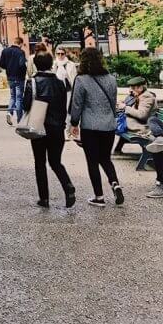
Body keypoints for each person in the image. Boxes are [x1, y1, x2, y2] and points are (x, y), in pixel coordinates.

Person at [70, 48, 124, 207]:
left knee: (92, 161)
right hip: (108, 125)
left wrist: (74, 123)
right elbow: (113, 102)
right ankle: (115, 183)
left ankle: (99, 197)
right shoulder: (111, 79)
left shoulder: (81, 80)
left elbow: (77, 104)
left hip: (90, 126)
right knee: (106, 158)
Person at [22, 51, 75, 208]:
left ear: (36, 65)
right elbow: (63, 105)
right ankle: (67, 185)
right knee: (55, 161)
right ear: (51, 64)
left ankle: (44, 198)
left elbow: (25, 105)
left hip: (39, 127)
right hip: (57, 128)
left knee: (40, 162)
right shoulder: (60, 83)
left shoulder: (32, 82)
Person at [114, 77, 158, 153]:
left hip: (142, 127)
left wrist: (125, 107)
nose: (130, 90)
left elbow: (142, 115)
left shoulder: (147, 96)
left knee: (109, 124)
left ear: (141, 87)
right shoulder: (140, 95)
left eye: (133, 88)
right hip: (135, 123)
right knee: (110, 122)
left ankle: (102, 153)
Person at [0, 36, 27, 124]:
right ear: (20, 43)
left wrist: (8, 68)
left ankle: (9, 113)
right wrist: (24, 73)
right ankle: (20, 119)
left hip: (10, 77)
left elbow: (1, 64)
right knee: (19, 98)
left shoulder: (5, 51)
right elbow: (22, 65)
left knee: (12, 96)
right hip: (19, 77)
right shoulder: (21, 52)